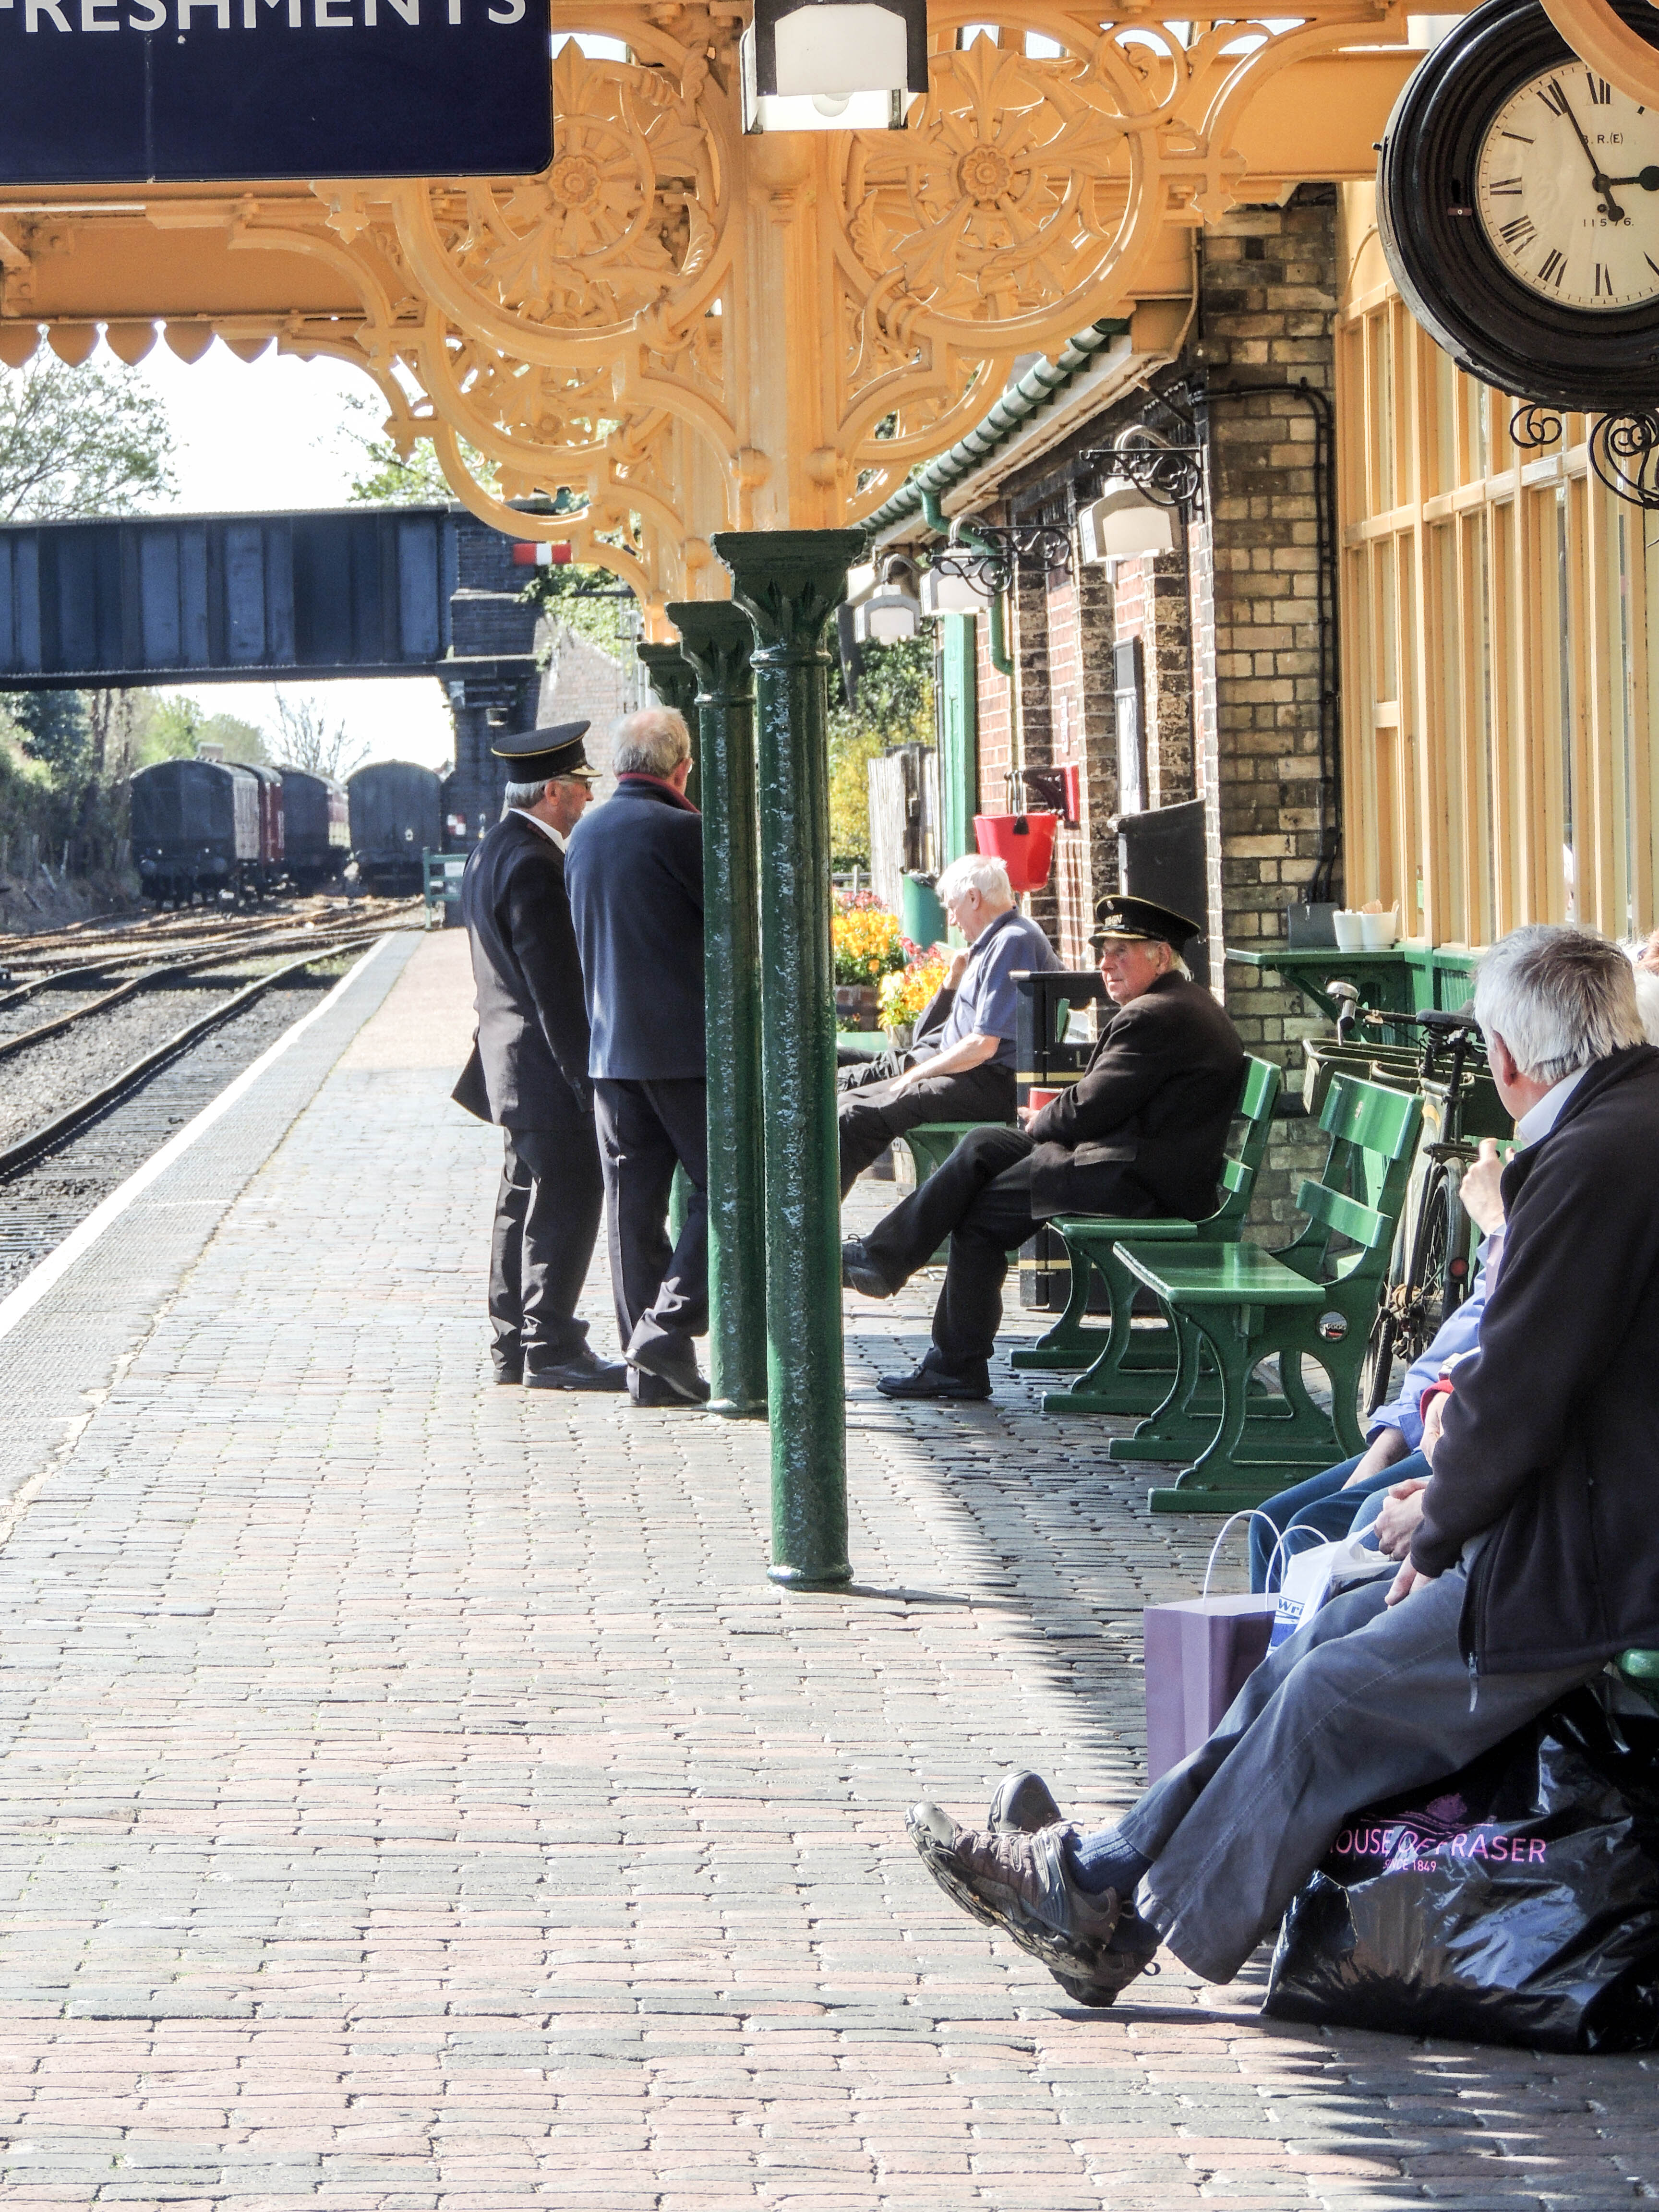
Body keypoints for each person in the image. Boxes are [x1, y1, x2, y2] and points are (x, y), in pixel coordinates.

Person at [904, 923, 1659, 2006]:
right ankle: (1097, 1871)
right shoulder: (1621, 1125)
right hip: (1578, 1523)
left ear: (1503, 1056)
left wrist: (1440, 1518)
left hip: (1596, 1563)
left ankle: (1122, 1920)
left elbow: (1524, 1383)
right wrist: (1443, 1496)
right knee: (1315, 1641)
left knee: (1329, 1697)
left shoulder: (1592, 1158)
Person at [842, 896, 1245, 1402]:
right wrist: (1048, 1120)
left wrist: (1041, 1120)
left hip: (1136, 1181)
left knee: (980, 1215)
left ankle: (955, 1364)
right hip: (1129, 1162)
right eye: (1103, 952)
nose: (1106, 964)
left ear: (1161, 956)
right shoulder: (1175, 1004)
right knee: (983, 1144)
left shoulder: (1156, 1015)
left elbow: (1089, 1108)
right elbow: (1103, 1100)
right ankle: (882, 1258)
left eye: (1121, 952)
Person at [1245, 1134, 1508, 1591]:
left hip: (1486, 1443)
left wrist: (1501, 1226)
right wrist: (1392, 1437)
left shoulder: (1585, 1181)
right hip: (1449, 1430)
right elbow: (1475, 1318)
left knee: (1317, 1531)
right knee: (1270, 1523)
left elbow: (1519, 1333)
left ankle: (1313, 1638)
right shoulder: (1547, 1161)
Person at [453, 721, 625, 1392]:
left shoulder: (489, 851)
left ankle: (511, 1345)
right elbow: (556, 990)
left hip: (509, 1065)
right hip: (546, 1070)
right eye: (581, 787)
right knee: (567, 1200)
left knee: (519, 1203)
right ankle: (551, 1346)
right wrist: (588, 1082)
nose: (588, 799)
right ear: (553, 792)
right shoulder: (534, 864)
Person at [564, 705, 709, 1407]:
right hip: (686, 1055)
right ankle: (666, 1326)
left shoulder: (584, 835)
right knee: (730, 1190)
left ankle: (649, 1372)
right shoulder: (685, 832)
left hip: (610, 1054)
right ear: (683, 768)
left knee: (632, 1213)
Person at [836, 855, 1061, 1197]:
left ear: (974, 898)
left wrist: (915, 1075)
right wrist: (952, 981)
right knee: (842, 1106)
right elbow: (923, 1037)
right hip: (969, 1074)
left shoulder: (1014, 940)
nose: (952, 920)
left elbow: (983, 1046)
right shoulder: (994, 943)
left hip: (990, 1081)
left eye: (952, 908)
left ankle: (813, 1229)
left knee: (852, 1119)